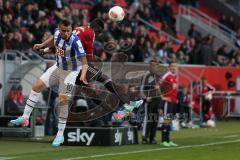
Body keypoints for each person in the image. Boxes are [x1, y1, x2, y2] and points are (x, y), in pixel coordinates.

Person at [10, 19, 88, 147]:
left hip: (70, 72)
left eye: (69, 31)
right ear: (59, 28)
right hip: (57, 67)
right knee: (36, 87)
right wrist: (42, 45)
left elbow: (84, 62)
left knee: (62, 100)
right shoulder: (57, 33)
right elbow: (53, 39)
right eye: (64, 30)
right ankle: (25, 117)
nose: (67, 33)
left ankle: (60, 134)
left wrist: (83, 76)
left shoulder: (75, 41)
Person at [73, 18, 143, 120]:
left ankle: (115, 113)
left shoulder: (78, 29)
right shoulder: (90, 32)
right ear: (97, 29)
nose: (99, 34)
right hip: (77, 65)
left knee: (91, 93)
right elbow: (89, 56)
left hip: (68, 67)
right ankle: (129, 103)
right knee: (102, 77)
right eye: (99, 32)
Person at [141, 60, 161, 144]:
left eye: (155, 65)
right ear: (149, 66)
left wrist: (159, 89)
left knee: (155, 119)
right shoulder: (146, 75)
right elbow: (141, 89)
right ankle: (145, 137)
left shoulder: (158, 76)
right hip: (149, 100)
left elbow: (161, 90)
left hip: (157, 99)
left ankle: (152, 137)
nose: (153, 66)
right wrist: (145, 98)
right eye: (152, 65)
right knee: (148, 119)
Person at [158, 62, 178, 147]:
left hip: (173, 102)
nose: (174, 68)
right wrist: (162, 97)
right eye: (172, 66)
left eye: (175, 66)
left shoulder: (175, 76)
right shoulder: (166, 75)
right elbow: (158, 86)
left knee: (169, 121)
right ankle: (163, 140)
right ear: (169, 67)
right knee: (166, 120)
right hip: (167, 101)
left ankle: (168, 140)